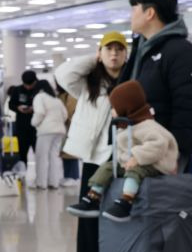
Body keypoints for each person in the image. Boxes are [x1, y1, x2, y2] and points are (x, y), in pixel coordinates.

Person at [55, 31, 127, 252]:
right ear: (100, 53)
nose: (114, 54)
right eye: (109, 49)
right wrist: (93, 58)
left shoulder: (132, 79)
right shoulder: (89, 84)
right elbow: (63, 74)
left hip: (123, 155)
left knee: (119, 211)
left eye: (119, 49)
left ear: (126, 53)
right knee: (89, 213)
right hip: (95, 155)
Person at [67, 81, 178, 222]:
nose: (111, 111)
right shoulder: (126, 126)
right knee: (107, 167)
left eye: (114, 107)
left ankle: (126, 203)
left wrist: (137, 157)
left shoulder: (147, 126)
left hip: (156, 164)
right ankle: (93, 198)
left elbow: (159, 145)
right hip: (131, 162)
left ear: (127, 107)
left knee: (135, 171)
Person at [119, 0, 192, 171]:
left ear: (149, 13)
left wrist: (177, 153)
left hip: (166, 152)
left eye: (134, 8)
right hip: (140, 145)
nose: (131, 15)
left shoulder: (179, 51)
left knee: (165, 199)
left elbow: (186, 104)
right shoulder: (141, 50)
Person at [31, 80, 67, 189]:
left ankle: (41, 183)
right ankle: (54, 182)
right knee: (54, 157)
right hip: (59, 130)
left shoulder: (39, 97)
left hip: (46, 131)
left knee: (41, 157)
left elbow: (40, 112)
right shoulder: (56, 100)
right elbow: (65, 115)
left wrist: (33, 123)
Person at [8, 70, 40, 165]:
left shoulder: (40, 90)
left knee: (39, 155)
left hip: (37, 129)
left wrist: (34, 109)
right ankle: (22, 175)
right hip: (22, 128)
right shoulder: (17, 90)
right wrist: (18, 108)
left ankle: (41, 177)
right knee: (21, 155)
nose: (28, 87)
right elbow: (11, 104)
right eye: (26, 85)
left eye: (31, 84)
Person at [56, 82, 80, 185]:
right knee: (65, 152)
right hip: (65, 127)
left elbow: (69, 111)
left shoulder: (72, 95)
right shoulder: (62, 95)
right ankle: (67, 175)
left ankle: (73, 176)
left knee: (70, 153)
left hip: (71, 126)